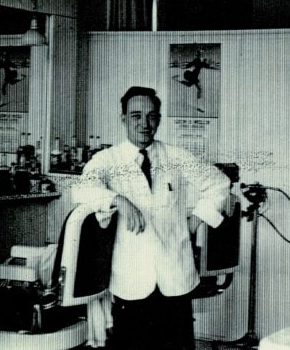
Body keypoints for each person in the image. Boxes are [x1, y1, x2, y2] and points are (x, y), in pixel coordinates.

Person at [72, 86, 230, 350]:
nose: (144, 124)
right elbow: (81, 189)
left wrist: (196, 219)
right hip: (131, 281)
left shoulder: (177, 157)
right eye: (135, 116)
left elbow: (219, 184)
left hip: (175, 276)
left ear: (159, 118)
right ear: (123, 118)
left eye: (151, 116)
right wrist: (117, 200)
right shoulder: (107, 160)